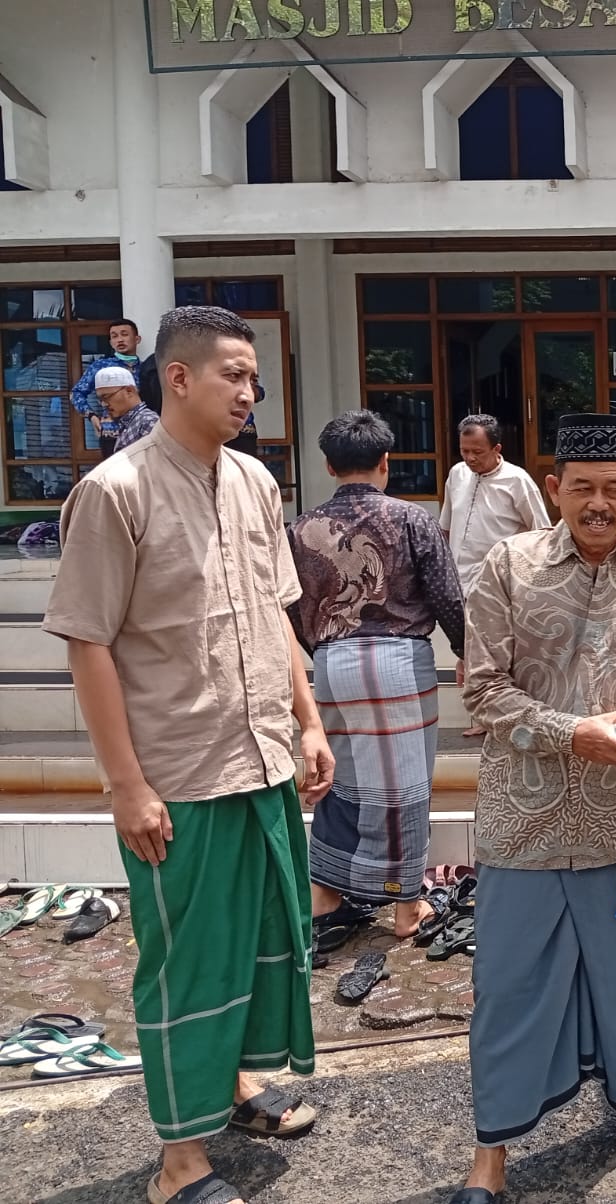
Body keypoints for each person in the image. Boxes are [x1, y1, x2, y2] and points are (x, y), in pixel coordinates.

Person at [42, 306, 335, 1204]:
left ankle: (235, 1088)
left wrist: (310, 721)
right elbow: (88, 642)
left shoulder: (254, 481)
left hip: (262, 759)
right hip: (180, 776)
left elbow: (277, 613)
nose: (249, 393)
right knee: (189, 964)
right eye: (232, 376)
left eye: (252, 377)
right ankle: (179, 1164)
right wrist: (125, 786)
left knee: (262, 942)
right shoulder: (115, 491)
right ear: (177, 377)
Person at [450, 412, 616, 1204]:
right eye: (583, 488)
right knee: (506, 988)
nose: (599, 504)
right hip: (522, 822)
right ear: (554, 489)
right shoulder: (509, 565)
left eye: (615, 489)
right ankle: (489, 1157)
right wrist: (572, 733)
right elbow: (482, 691)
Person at [287, 411, 465, 945]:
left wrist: (322, 650)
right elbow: (447, 596)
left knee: (340, 782)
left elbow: (290, 608)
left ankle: (326, 896)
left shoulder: (301, 529)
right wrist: (466, 651)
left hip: (333, 664)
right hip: (399, 663)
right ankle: (406, 907)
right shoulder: (410, 519)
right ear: (386, 461)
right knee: (404, 789)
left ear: (328, 465)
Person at [440, 413, 551, 737]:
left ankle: (502, 719)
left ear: (496, 448)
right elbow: (446, 526)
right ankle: (482, 718)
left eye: (478, 452)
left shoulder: (517, 480)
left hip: (500, 585)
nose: (470, 458)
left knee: (499, 654)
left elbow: (542, 532)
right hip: (459, 580)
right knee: (468, 652)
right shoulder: (457, 475)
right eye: (465, 451)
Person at [71, 316, 143, 459]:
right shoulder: (101, 366)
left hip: (142, 431)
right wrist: (91, 416)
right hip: (112, 433)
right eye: (114, 336)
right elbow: (76, 393)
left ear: (137, 339)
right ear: (110, 342)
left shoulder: (147, 367)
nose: (119, 340)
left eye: (124, 334)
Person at [86, 364, 158, 454]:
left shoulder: (148, 422)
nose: (104, 404)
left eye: (107, 397)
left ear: (129, 391)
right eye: (100, 400)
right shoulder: (126, 423)